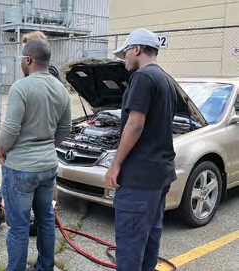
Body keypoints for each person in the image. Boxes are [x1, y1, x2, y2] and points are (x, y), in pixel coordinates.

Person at [0, 38, 71, 271]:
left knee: (18, 227)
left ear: (28, 60)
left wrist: (0, 151)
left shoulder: (22, 86)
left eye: (22, 59)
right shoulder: (61, 89)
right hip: (48, 166)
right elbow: (65, 128)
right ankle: (45, 267)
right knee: (46, 220)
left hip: (21, 168)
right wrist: (48, 145)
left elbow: (11, 128)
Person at [105, 28, 177, 271]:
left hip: (139, 178)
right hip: (159, 175)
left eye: (125, 52)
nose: (123, 59)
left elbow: (135, 124)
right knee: (149, 239)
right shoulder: (166, 79)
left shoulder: (143, 77)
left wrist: (115, 165)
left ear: (137, 49)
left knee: (130, 244)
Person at [22, 30, 62, 237]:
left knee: (46, 186)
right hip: (37, 142)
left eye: (26, 43)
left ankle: (47, 216)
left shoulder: (49, 73)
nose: (23, 49)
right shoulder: (30, 72)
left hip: (43, 140)